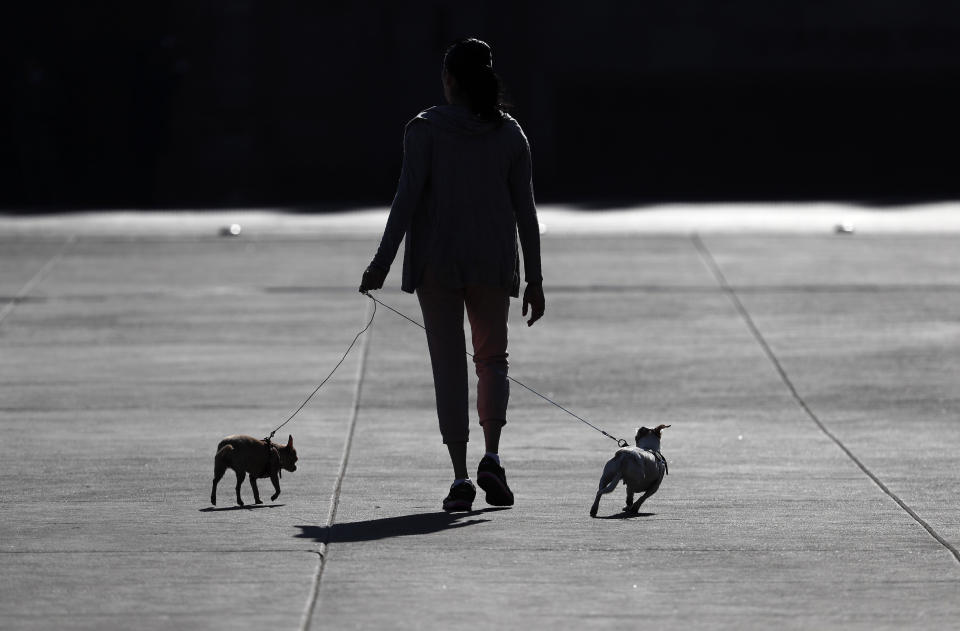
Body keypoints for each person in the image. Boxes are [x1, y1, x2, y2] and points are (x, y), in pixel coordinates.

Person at [358, 38, 544, 512]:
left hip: (436, 265)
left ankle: (461, 477)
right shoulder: (510, 135)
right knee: (492, 360)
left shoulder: (424, 130)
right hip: (493, 262)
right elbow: (527, 214)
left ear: (450, 81)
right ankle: (493, 457)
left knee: (448, 365)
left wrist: (380, 264)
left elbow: (405, 201)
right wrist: (535, 280)